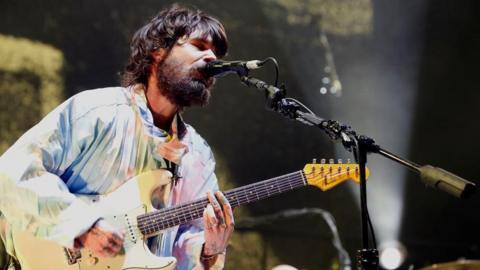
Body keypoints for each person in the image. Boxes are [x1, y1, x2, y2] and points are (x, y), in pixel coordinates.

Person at [0, 4, 234, 270]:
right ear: (158, 50)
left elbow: (182, 239)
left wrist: (208, 249)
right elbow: (13, 173)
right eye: (200, 45)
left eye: (216, 52)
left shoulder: (197, 156)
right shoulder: (97, 112)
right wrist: (83, 225)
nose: (212, 57)